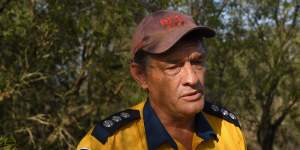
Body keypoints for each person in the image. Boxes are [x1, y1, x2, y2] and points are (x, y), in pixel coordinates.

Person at [77, 10, 246, 150]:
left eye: (197, 62)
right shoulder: (107, 143)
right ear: (141, 76)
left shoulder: (228, 130)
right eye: (173, 66)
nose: (192, 78)